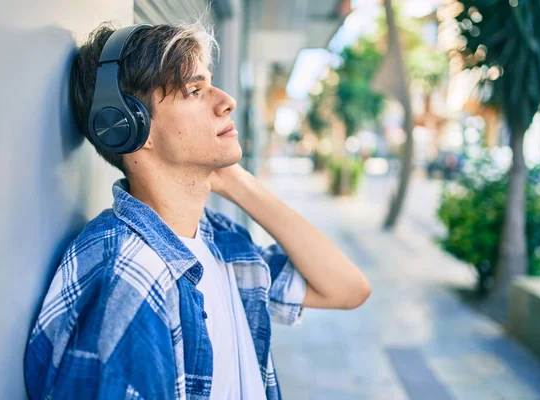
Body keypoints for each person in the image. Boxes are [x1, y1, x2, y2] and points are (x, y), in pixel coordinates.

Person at [24, 19, 371, 400]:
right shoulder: (129, 281)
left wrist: (236, 181)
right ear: (126, 126)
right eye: (194, 90)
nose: (227, 101)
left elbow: (347, 288)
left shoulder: (218, 241)